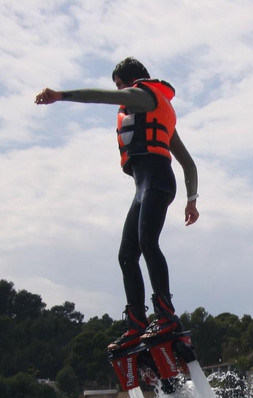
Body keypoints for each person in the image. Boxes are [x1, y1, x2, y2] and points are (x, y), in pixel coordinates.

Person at [36, 57, 199, 353]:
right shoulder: (153, 110)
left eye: (119, 85)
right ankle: (137, 321)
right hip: (144, 187)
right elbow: (189, 165)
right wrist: (191, 200)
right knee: (126, 255)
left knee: (148, 242)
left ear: (128, 81)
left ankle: (165, 313)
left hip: (159, 182)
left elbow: (100, 97)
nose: (119, 92)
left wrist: (61, 96)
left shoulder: (143, 97)